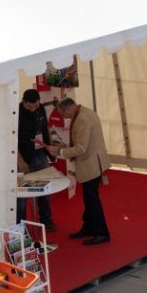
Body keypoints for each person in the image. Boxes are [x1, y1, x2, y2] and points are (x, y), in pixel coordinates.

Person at [45, 98, 111, 245]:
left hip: (91, 164)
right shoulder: (85, 112)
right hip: (94, 161)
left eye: (63, 114)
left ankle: (102, 232)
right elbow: (82, 142)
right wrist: (64, 146)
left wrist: (60, 150)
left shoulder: (82, 119)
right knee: (90, 199)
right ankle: (88, 227)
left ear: (67, 109)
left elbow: (81, 148)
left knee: (92, 200)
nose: (64, 118)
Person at [17, 89, 56, 232]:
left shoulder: (41, 109)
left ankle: (47, 219)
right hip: (22, 158)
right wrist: (20, 162)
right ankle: (20, 227)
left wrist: (50, 150)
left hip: (39, 155)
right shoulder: (16, 114)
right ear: (24, 101)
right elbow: (11, 140)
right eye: (30, 107)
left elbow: (45, 129)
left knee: (44, 189)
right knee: (21, 195)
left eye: (36, 106)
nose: (34, 109)